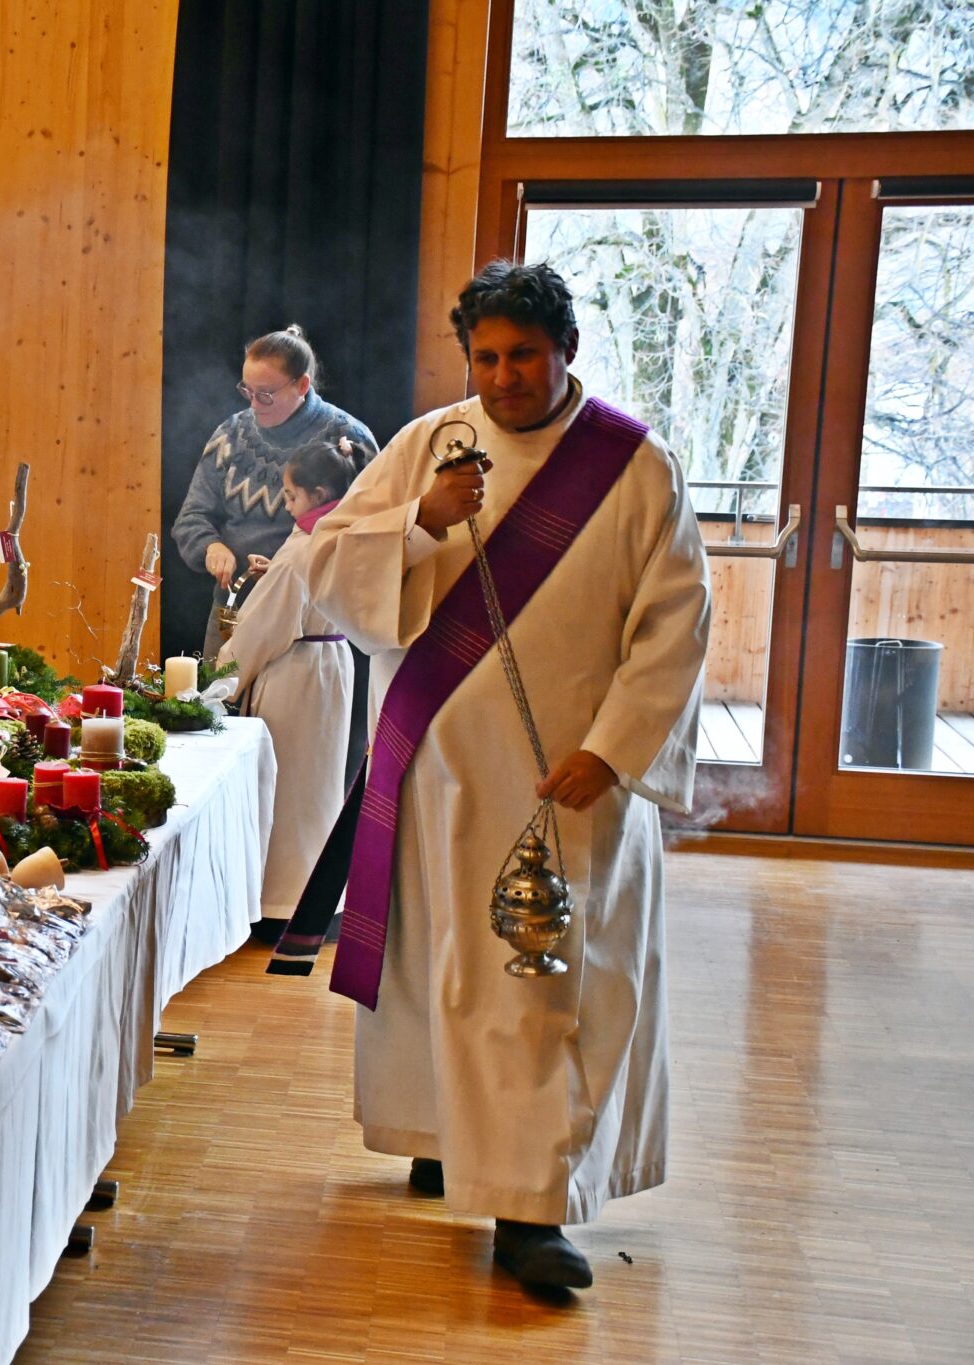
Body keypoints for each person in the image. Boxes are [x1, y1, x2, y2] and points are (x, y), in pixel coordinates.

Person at [295, 261, 710, 1291]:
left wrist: (614, 749)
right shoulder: (430, 445)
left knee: (540, 991)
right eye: (484, 357)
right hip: (440, 778)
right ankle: (445, 1132)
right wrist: (420, 521)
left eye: (523, 354)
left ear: (566, 349)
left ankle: (530, 1210)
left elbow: (675, 624)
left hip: (563, 789)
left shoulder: (633, 467)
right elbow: (327, 563)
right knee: (445, 973)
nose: (502, 376)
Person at [171, 325, 375, 661]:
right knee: (217, 695)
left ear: (302, 385)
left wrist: (291, 569)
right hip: (232, 609)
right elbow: (191, 517)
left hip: (307, 625)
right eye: (247, 390)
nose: (254, 404)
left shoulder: (348, 437)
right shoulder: (231, 434)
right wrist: (210, 546)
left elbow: (370, 536)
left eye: (265, 394)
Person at [222, 440, 358, 944]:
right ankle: (317, 901)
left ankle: (281, 905)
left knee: (289, 792)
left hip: (296, 675)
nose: (285, 505)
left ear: (318, 493)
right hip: (332, 666)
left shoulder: (300, 551)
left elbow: (262, 631)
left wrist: (219, 681)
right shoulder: (344, 533)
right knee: (318, 790)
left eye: (291, 496)